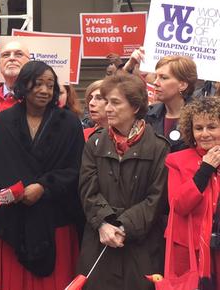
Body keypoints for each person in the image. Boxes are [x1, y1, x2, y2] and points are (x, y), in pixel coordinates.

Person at [0, 61, 84, 290]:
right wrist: (16, 191)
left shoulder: (69, 123)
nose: (44, 90)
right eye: (38, 84)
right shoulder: (4, 121)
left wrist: (43, 187)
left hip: (56, 221)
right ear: (24, 85)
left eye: (50, 85)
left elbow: (77, 169)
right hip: (14, 219)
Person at [79, 73, 169, 289]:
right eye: (106, 101)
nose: (107, 108)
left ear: (135, 107)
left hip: (141, 244)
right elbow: (87, 189)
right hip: (99, 241)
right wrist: (103, 223)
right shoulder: (95, 142)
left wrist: (123, 226)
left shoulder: (158, 147)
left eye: (115, 102)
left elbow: (156, 198)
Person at [165, 97, 220, 285]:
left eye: (212, 126)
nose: (204, 134)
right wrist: (205, 170)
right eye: (198, 128)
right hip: (189, 250)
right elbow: (179, 205)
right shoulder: (177, 160)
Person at [145, 55, 198, 152]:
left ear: (182, 85)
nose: (155, 82)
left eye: (163, 78)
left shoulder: (199, 116)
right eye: (156, 77)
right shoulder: (148, 114)